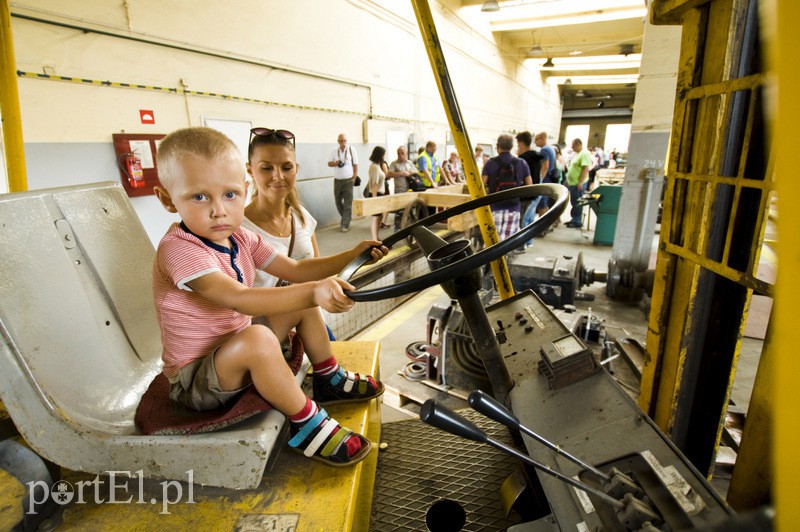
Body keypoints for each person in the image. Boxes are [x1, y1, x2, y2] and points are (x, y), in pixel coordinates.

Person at [153, 127, 385, 467]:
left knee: (296, 298)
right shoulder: (178, 249)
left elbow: (296, 270)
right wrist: (315, 291)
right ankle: (306, 422)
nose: (219, 210)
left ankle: (329, 378)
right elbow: (239, 299)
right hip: (197, 379)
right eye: (199, 197)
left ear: (244, 190)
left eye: (230, 195)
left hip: (236, 350)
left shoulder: (240, 238)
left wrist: (352, 253)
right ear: (168, 199)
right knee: (261, 335)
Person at [482, 133, 532, 242]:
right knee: (508, 243)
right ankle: (506, 258)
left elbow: (481, 186)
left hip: (494, 208)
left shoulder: (490, 163)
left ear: (498, 146)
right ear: (512, 146)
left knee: (492, 242)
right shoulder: (521, 163)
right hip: (513, 208)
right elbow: (530, 186)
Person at [515, 131, 544, 248]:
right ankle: (529, 242)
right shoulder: (536, 157)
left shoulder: (523, 159)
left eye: (518, 144)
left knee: (523, 220)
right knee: (530, 218)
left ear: (521, 143)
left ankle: (522, 245)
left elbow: (521, 178)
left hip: (526, 194)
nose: (518, 147)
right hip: (536, 191)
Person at [327, 133, 358, 233]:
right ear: (338, 141)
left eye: (345, 141)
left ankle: (344, 224)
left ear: (347, 141)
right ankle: (347, 217)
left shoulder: (351, 150)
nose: (343, 143)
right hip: (337, 180)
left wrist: (354, 177)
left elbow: (356, 164)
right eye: (341, 141)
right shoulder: (334, 151)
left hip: (348, 180)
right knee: (338, 202)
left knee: (348, 202)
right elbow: (329, 163)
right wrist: (335, 163)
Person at [387, 145, 418, 229]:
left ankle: (409, 228)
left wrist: (410, 172)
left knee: (409, 211)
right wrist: (400, 173)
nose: (400, 155)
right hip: (399, 191)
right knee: (399, 211)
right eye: (398, 153)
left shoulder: (409, 163)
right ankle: (397, 229)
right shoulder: (394, 164)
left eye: (402, 153)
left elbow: (416, 171)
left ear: (406, 154)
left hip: (410, 190)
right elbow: (389, 174)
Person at [565, 138, 593, 228]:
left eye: (573, 146)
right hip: (573, 183)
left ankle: (577, 220)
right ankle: (574, 218)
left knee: (577, 202)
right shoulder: (578, 154)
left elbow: (585, 169)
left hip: (578, 183)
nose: (572, 148)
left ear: (578, 144)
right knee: (574, 202)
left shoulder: (584, 153)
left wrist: (580, 182)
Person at [366, 146, 387, 241]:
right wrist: (375, 199)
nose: (385, 156)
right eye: (384, 154)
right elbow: (374, 184)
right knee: (375, 218)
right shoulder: (374, 167)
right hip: (376, 194)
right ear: (380, 155)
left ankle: (377, 237)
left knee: (380, 216)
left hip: (380, 194)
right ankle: (374, 239)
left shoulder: (378, 165)